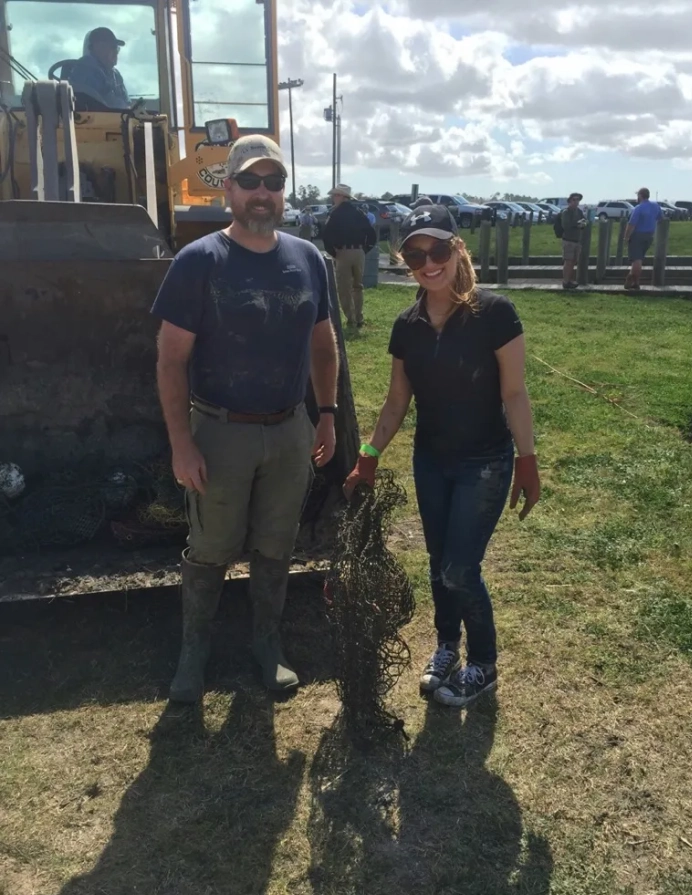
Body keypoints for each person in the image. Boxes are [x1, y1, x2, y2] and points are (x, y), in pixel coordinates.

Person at [151, 134, 339, 701]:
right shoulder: (199, 261)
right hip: (220, 431)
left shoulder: (307, 259)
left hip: (289, 431)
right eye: (251, 182)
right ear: (228, 188)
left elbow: (323, 345)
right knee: (211, 547)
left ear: (284, 192)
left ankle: (266, 644)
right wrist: (182, 444)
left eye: (274, 182)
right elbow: (170, 359)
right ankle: (195, 651)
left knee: (277, 544)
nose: (263, 193)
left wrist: (325, 415)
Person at [343, 205, 540, 707]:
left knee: (460, 568)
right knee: (437, 565)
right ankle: (448, 647)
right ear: (404, 259)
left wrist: (527, 459)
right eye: (415, 254)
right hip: (431, 461)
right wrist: (368, 454)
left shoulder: (495, 313)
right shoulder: (407, 325)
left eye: (437, 251)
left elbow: (514, 394)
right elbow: (395, 402)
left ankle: (484, 665)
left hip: (485, 461)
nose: (428, 263)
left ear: (457, 250)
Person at [323, 183, 377, 327]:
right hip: (359, 252)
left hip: (343, 253)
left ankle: (350, 318)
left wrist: (333, 252)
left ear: (342, 196)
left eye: (335, 195)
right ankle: (359, 317)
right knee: (358, 286)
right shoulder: (359, 213)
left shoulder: (334, 214)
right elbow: (371, 234)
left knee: (344, 288)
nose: (333, 198)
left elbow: (326, 236)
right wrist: (364, 250)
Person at [69, 27, 131, 110]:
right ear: (98, 47)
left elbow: (127, 103)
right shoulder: (86, 69)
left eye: (117, 49)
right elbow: (104, 104)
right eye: (113, 47)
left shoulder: (115, 74)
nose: (116, 52)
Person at [624, 188, 663, 290]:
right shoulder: (656, 206)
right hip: (649, 236)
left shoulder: (638, 208)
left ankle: (634, 281)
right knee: (638, 258)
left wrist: (626, 236)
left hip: (638, 235)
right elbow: (660, 218)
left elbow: (631, 224)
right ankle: (632, 280)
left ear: (640, 195)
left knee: (637, 260)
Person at [555, 192, 586, 290]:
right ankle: (565, 281)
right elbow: (566, 226)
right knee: (568, 262)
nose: (576, 202)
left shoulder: (579, 212)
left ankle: (570, 280)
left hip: (577, 240)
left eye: (578, 200)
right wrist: (577, 224)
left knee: (573, 262)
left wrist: (584, 224)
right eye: (574, 199)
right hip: (568, 240)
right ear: (569, 201)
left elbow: (584, 221)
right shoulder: (566, 212)